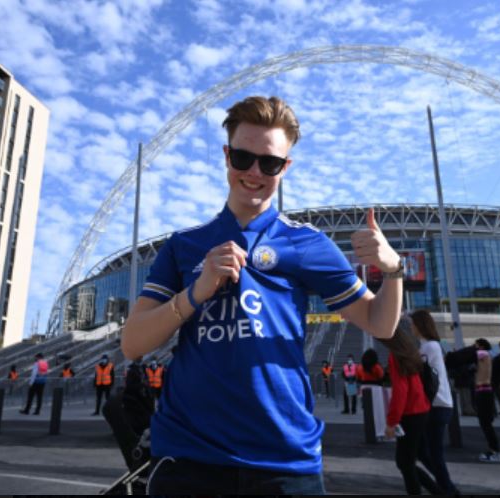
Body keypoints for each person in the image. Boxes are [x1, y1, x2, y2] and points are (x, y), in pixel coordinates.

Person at [121, 95, 404, 495]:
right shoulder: (184, 245)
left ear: (285, 167)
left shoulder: (306, 242)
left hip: (284, 460)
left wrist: (393, 271)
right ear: (226, 156)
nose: (254, 172)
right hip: (188, 458)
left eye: (269, 163)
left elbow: (379, 322)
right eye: (243, 158)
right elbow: (133, 344)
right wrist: (196, 293)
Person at [379, 320, 437, 495]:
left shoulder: (396, 356)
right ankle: (439, 489)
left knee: (404, 462)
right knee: (409, 460)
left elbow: (400, 391)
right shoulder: (411, 353)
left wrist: (391, 422)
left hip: (410, 414)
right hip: (421, 410)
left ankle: (435, 490)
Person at [410, 309, 459, 494]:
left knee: (434, 453)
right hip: (437, 405)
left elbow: (427, 378)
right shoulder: (427, 346)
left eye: (412, 324)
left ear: (419, 325)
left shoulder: (430, 347)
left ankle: (447, 489)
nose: (411, 328)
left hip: (437, 405)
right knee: (424, 451)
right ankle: (445, 486)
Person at [473, 338, 500, 463]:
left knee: (486, 423)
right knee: (485, 423)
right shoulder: (484, 356)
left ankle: (495, 452)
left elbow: (472, 354)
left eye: (476, 345)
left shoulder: (484, 354)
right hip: (483, 391)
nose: (474, 347)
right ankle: (493, 450)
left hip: (484, 391)